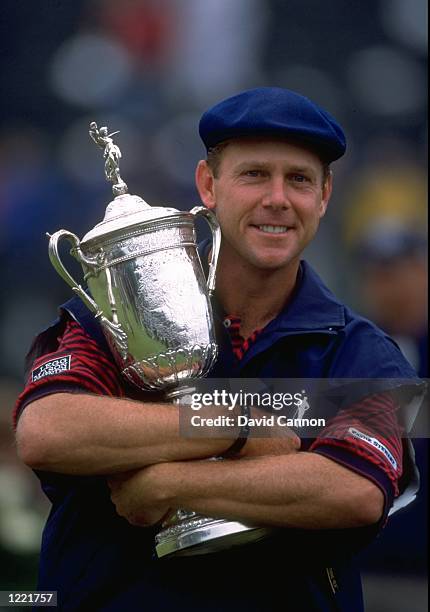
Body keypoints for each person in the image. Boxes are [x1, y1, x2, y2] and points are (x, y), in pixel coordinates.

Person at [14, 87, 424, 611]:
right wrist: (238, 427)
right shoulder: (119, 313)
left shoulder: (363, 351)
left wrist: (170, 481)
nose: (277, 198)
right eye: (254, 174)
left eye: (298, 179)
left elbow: (355, 490)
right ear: (208, 186)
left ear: (324, 197)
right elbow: (48, 430)